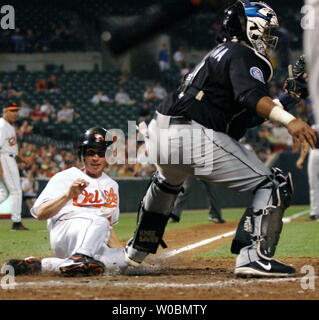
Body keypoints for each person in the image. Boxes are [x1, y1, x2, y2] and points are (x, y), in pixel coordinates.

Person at [124, 1, 317, 277]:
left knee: (167, 182)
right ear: (251, 26)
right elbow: (250, 98)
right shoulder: (243, 52)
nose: (268, 37)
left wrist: (289, 98)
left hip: (160, 132)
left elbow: (245, 117)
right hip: (191, 135)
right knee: (272, 184)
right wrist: (291, 119)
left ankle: (136, 252)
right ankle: (252, 257)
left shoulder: (220, 53)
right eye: (266, 29)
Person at [6, 127, 128, 277]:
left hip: (93, 239)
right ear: (82, 155)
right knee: (99, 221)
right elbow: (41, 213)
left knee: (121, 262)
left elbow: (108, 230)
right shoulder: (65, 176)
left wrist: (124, 254)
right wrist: (67, 195)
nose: (95, 158)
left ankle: (40, 265)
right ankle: (80, 258)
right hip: (65, 230)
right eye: (90, 153)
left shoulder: (112, 185)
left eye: (101, 153)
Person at [0, 101, 29, 230]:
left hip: (9, 157)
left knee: (3, 193)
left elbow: (11, 147)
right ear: (5, 111)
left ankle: (17, 221)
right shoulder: (2, 126)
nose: (15, 113)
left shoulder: (9, 126)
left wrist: (22, 158)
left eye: (16, 110)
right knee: (16, 191)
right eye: (12, 111)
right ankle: (16, 222)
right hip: (4, 159)